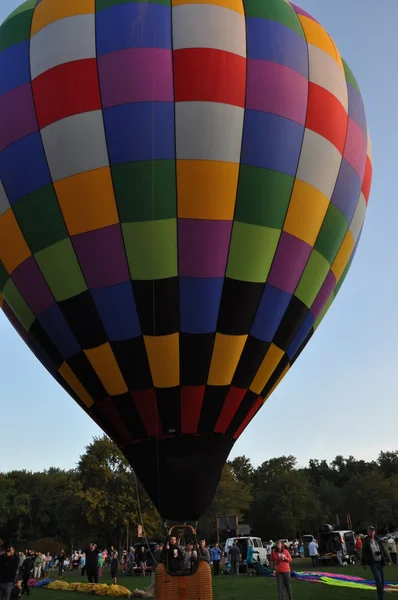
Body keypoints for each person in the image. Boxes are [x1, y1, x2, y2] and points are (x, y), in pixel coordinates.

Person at [362, 526, 390, 600]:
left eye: (373, 531)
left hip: (380, 562)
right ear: (368, 532)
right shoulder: (366, 540)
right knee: (378, 580)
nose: (372, 532)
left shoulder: (377, 539)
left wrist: (388, 560)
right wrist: (364, 563)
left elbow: (383, 550)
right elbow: (364, 552)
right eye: (370, 531)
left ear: (374, 531)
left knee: (382, 580)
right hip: (373, 563)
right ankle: (381, 598)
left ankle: (381, 594)